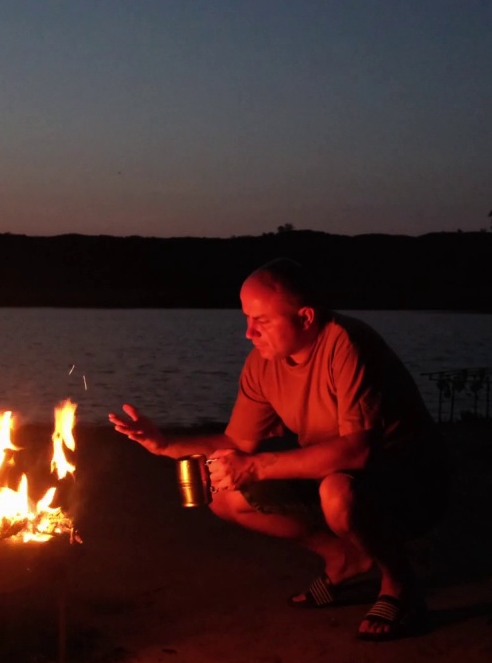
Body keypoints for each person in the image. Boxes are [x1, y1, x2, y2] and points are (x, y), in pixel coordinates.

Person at [109, 258, 450, 641]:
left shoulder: (347, 344)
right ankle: (345, 558)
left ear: (305, 318)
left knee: (336, 492)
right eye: (246, 319)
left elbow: (357, 452)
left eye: (262, 321)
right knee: (225, 496)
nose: (248, 333)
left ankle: (400, 584)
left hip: (411, 480)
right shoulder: (263, 363)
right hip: (335, 471)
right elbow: (236, 445)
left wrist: (255, 468)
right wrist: (164, 444)